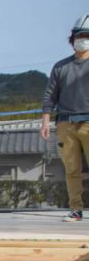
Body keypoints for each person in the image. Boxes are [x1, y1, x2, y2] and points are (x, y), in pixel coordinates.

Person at [41, 14, 89, 222]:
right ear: (72, 40)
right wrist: (45, 121)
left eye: (87, 36)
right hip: (65, 123)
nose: (83, 40)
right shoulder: (61, 67)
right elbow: (49, 95)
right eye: (79, 36)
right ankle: (76, 209)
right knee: (72, 169)